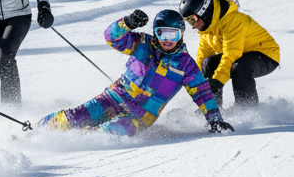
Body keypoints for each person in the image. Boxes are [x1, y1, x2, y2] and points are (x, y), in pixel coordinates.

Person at [38, 9, 232, 136]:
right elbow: (112, 38)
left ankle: (78, 141)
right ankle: (36, 131)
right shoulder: (143, 44)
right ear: (155, 32)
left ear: (181, 35)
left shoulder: (185, 64)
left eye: (173, 34)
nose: (167, 39)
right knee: (76, 117)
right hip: (114, 97)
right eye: (162, 33)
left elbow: (202, 92)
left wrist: (215, 119)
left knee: (112, 130)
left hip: (142, 115)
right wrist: (128, 23)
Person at [179, 0, 280, 107]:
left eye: (192, 20)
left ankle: (247, 109)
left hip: (266, 55)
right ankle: (211, 108)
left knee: (239, 68)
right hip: (241, 55)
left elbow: (231, 55)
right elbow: (203, 56)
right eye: (188, 21)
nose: (193, 26)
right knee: (208, 63)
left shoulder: (233, 21)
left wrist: (217, 81)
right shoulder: (208, 27)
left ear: (203, 12)